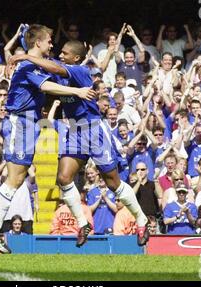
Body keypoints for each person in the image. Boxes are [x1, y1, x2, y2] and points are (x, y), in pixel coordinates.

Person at [8, 38, 150, 248]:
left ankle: (141, 219)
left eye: (65, 53)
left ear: (76, 58)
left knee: (112, 183)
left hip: (93, 130)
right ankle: (83, 224)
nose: (60, 54)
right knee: (63, 178)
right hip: (74, 129)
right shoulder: (60, 67)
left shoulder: (79, 72)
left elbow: (54, 66)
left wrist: (27, 56)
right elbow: (46, 72)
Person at [0, 24, 97, 254]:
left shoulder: (34, 63)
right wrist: (77, 92)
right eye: (49, 40)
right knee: (14, 178)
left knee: (17, 178)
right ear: (38, 42)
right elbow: (46, 86)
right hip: (20, 123)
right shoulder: (27, 65)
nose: (52, 44)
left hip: (30, 124)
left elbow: (50, 74)